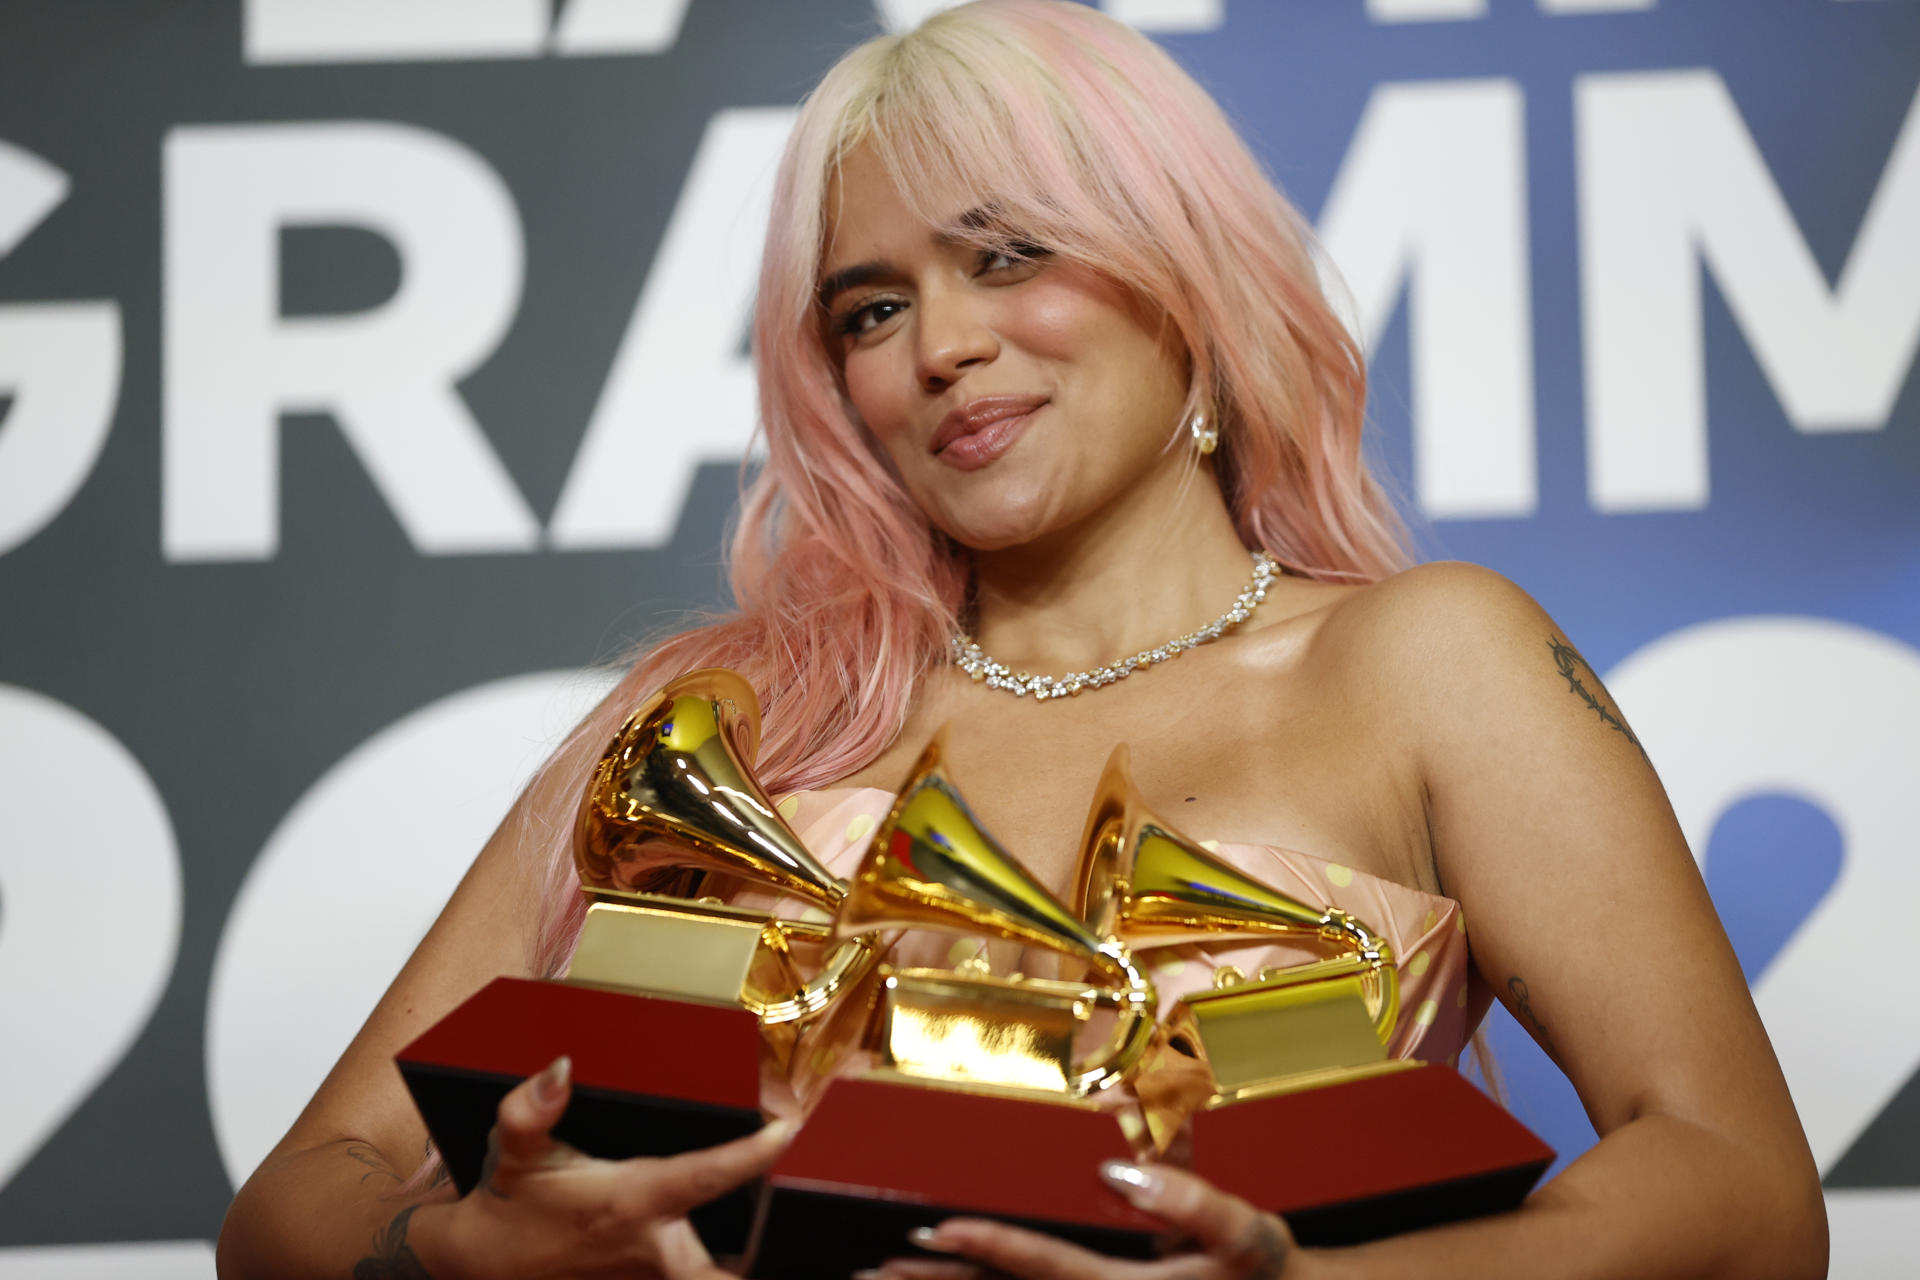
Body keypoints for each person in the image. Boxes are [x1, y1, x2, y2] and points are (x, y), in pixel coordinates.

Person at [214, 2, 1827, 1277]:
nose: (947, 346)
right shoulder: (725, 724)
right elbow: (296, 1202)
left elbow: (1740, 1193)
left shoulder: (1425, 665)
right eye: (871, 309)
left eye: (1008, 255)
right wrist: (453, 1254)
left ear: (1181, 277)